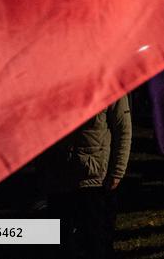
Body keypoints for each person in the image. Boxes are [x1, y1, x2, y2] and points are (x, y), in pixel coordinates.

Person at [45, 94, 132, 259]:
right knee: (61, 244)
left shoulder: (107, 82)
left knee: (96, 242)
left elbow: (123, 129)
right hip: (59, 177)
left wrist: (117, 172)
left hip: (93, 181)